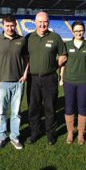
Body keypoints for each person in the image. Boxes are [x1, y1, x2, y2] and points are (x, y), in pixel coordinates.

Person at [26, 12, 67, 145]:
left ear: (48, 22)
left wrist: (54, 65)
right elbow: (23, 57)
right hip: (33, 79)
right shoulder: (28, 37)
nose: (43, 24)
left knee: (50, 107)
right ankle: (35, 132)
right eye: (40, 22)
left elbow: (64, 55)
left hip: (50, 78)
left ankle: (51, 133)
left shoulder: (55, 37)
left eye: (45, 22)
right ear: (35, 22)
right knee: (33, 108)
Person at [0, 14, 29, 151]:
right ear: (2, 25)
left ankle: (14, 136)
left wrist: (24, 75)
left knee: (16, 112)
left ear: (16, 25)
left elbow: (26, 59)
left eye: (12, 25)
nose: (10, 28)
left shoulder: (22, 40)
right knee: (1, 112)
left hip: (18, 83)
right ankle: (1, 137)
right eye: (7, 25)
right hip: (1, 83)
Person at [59, 20, 86, 145]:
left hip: (84, 81)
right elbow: (63, 63)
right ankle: (70, 132)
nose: (78, 33)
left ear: (84, 31)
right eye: (76, 31)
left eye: (80, 30)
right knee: (69, 107)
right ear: (72, 31)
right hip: (69, 81)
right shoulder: (67, 45)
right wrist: (61, 77)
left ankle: (80, 134)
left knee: (83, 107)